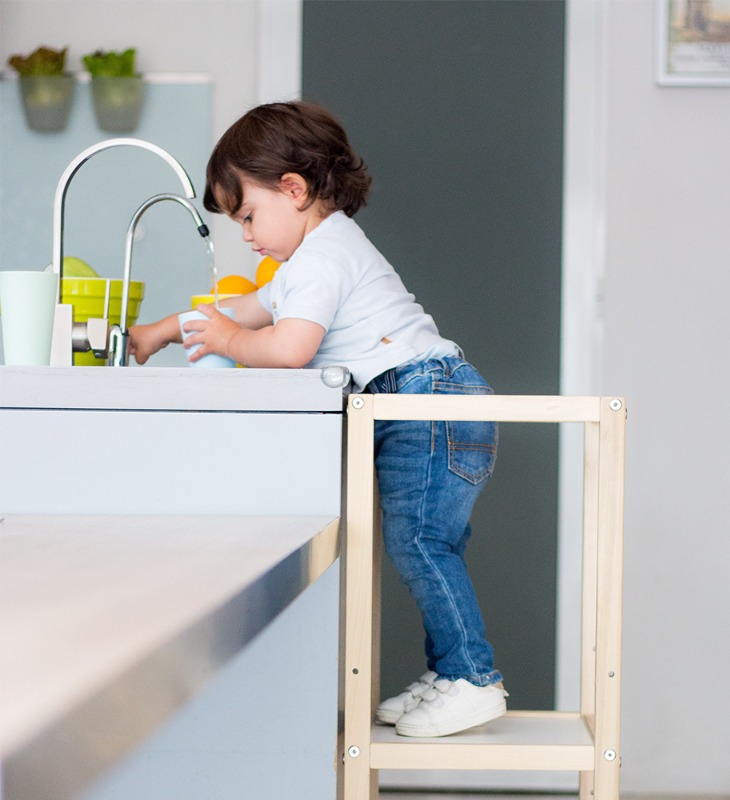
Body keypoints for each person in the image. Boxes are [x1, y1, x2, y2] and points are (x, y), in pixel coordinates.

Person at [129, 101, 507, 737]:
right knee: (427, 545)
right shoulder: (307, 263)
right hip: (424, 401)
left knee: (421, 544)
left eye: (248, 215)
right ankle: (450, 672)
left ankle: (471, 677)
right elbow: (245, 307)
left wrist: (223, 343)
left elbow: (286, 348)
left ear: (294, 189)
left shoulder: (324, 258)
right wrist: (161, 331)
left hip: (428, 399)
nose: (246, 236)